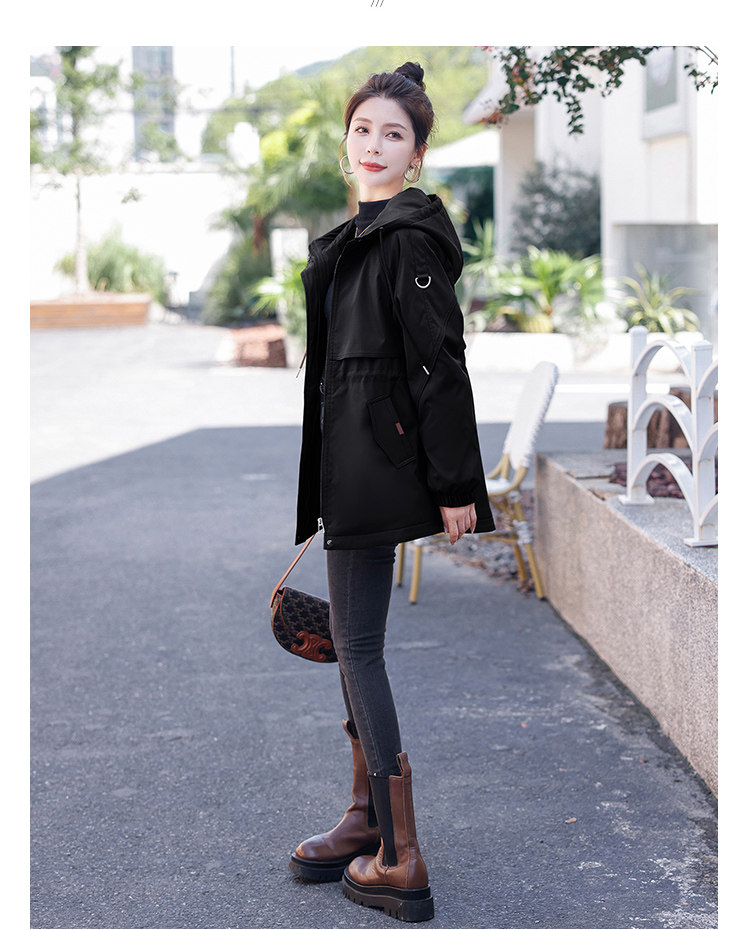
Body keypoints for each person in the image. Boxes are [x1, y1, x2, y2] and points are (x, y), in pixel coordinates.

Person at [288, 61, 495, 922]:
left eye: (394, 135)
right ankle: (368, 817)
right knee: (352, 641)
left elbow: (438, 364)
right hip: (351, 463)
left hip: (377, 465)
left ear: (416, 155)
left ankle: (401, 855)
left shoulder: (405, 238)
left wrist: (456, 485)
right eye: (363, 129)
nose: (374, 145)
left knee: (359, 645)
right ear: (347, 139)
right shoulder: (359, 233)